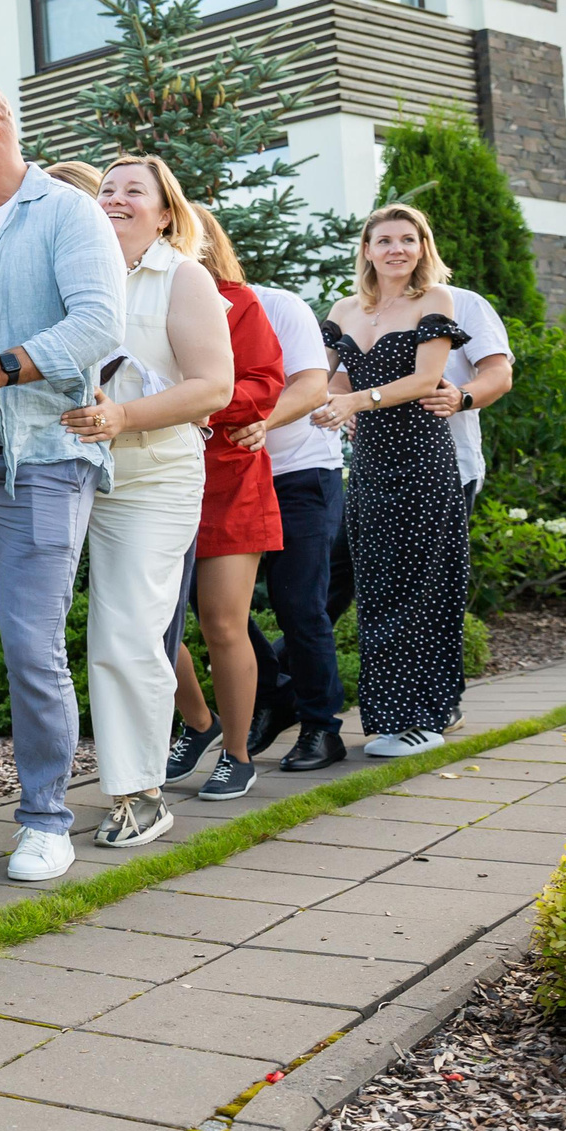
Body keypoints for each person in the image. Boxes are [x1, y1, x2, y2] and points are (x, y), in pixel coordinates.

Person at [0, 83, 125, 883]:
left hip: (39, 453)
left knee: (29, 643)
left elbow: (99, 322)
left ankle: (45, 818)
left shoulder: (66, 213)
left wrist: (1, 368)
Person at [61, 156, 231, 849]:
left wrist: (126, 419)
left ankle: (140, 793)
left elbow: (214, 386)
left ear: (166, 212)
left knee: (126, 631)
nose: (115, 198)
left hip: (151, 476)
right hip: (63, 465)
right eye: (106, 188)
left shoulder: (183, 278)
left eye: (135, 191)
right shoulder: (74, 268)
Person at [313, 204, 469, 757]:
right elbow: (318, 377)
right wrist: (329, 399)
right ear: (368, 250)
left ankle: (425, 714)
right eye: (385, 240)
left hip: (424, 460)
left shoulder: (435, 301)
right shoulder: (344, 308)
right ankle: (388, 719)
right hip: (372, 463)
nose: (397, 249)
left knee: (425, 587)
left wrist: (358, 398)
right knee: (379, 590)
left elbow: (428, 378)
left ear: (423, 247)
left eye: (409, 239)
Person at [161, 207, 284, 801]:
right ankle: (199, 720)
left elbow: (266, 381)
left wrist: (200, 401)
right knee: (153, 623)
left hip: (230, 479)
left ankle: (236, 753)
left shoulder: (238, 300)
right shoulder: (142, 293)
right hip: (154, 477)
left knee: (222, 623)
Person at [229, 281, 347, 771]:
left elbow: (313, 386)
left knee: (299, 603)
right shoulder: (180, 303)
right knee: (214, 604)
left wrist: (262, 422)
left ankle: (323, 727)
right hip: (230, 477)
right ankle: (276, 693)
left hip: (300, 474)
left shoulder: (280, 305)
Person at [424, 285, 514, 506]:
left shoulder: (464, 303)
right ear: (367, 251)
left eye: (408, 246)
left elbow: (499, 373)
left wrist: (461, 397)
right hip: (372, 469)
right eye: (383, 246)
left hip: (446, 470)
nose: (396, 250)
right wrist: (351, 409)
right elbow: (341, 383)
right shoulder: (363, 308)